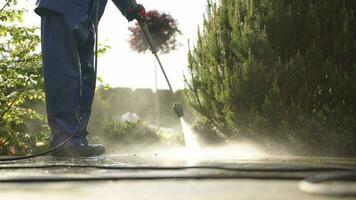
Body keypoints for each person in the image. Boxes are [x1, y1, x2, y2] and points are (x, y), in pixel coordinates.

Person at [34, 0, 146, 157]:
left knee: (86, 78)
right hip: (62, 7)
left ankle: (76, 139)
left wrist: (131, 7)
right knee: (64, 74)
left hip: (88, 15)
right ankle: (66, 140)